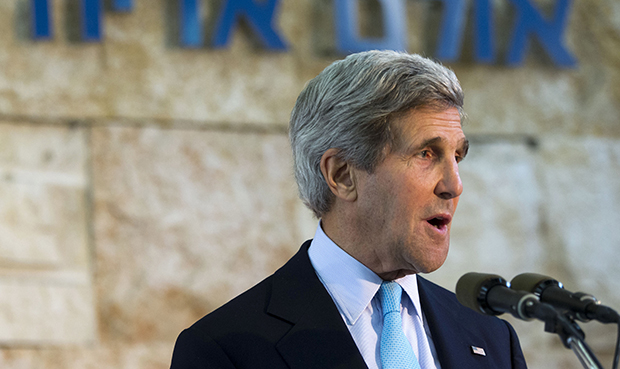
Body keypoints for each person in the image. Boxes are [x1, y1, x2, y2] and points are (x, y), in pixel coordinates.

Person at [170, 50, 527, 369]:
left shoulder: (494, 340)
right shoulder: (225, 351)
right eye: (426, 154)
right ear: (342, 175)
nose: (454, 185)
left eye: (458, 156)